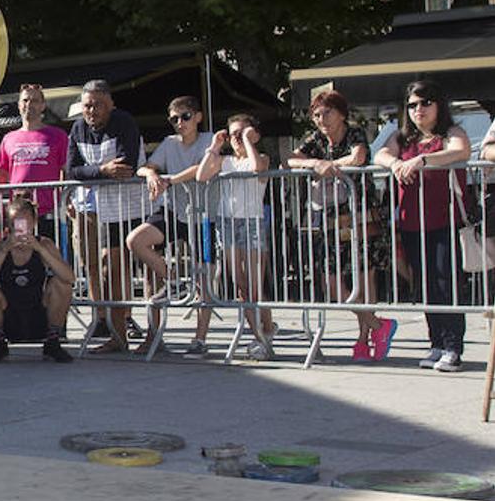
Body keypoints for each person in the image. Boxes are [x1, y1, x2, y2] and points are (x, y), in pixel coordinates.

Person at [287, 90, 397, 362]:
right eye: (316, 114)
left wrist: (329, 166)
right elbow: (291, 159)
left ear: (341, 114)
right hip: (331, 219)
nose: (321, 119)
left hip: (361, 215)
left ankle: (363, 339)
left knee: (365, 277)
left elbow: (358, 157)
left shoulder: (354, 132)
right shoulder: (315, 139)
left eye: (327, 113)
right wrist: (315, 163)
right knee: (332, 282)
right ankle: (378, 326)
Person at [375, 81, 472, 372]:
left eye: (426, 102)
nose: (419, 109)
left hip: (445, 220)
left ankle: (453, 347)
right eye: (413, 105)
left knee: (446, 282)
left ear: (438, 105)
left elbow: (461, 151)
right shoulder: (401, 137)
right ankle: (437, 343)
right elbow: (380, 154)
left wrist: (422, 159)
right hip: (412, 222)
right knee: (425, 284)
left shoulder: (451, 133)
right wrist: (395, 164)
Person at [128, 96, 214, 353]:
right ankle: (174, 282)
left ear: (198, 117)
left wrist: (170, 180)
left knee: (204, 281)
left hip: (203, 215)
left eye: (185, 117)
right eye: (174, 119)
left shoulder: (209, 140)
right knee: (135, 240)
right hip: (173, 211)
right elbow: (143, 168)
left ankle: (200, 339)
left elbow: (201, 169)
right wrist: (152, 174)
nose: (180, 123)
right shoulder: (169, 143)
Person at [67, 79, 145, 352]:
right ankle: (117, 335)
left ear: (111, 104)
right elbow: (72, 170)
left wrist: (92, 172)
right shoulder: (77, 129)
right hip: (106, 210)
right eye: (87, 105)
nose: (92, 111)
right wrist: (102, 170)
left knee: (148, 274)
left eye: (98, 105)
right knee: (108, 270)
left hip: (138, 207)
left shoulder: (124, 122)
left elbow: (126, 165)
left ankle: (153, 336)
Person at [197, 114, 273, 358]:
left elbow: (257, 168)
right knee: (240, 283)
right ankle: (260, 334)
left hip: (252, 222)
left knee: (254, 285)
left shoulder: (261, 157)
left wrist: (248, 141)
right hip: (227, 222)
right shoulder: (225, 160)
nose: (237, 139)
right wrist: (214, 147)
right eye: (233, 135)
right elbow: (201, 176)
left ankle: (265, 332)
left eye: (242, 133)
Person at [0, 197, 75, 364]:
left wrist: (40, 250)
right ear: (9, 224)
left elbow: (69, 278)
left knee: (61, 285)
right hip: (8, 314)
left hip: (38, 312)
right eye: (16, 223)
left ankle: (53, 341)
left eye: (25, 223)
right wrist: (4, 251)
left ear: (34, 222)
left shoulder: (45, 244)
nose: (21, 229)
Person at [0, 84, 69, 239]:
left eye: (35, 101)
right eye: (25, 100)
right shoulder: (8, 138)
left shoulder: (58, 136)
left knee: (48, 250)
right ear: (19, 105)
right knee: (22, 249)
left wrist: (66, 200)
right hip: (19, 212)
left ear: (43, 106)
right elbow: (1, 174)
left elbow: (67, 170)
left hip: (49, 212)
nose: (29, 104)